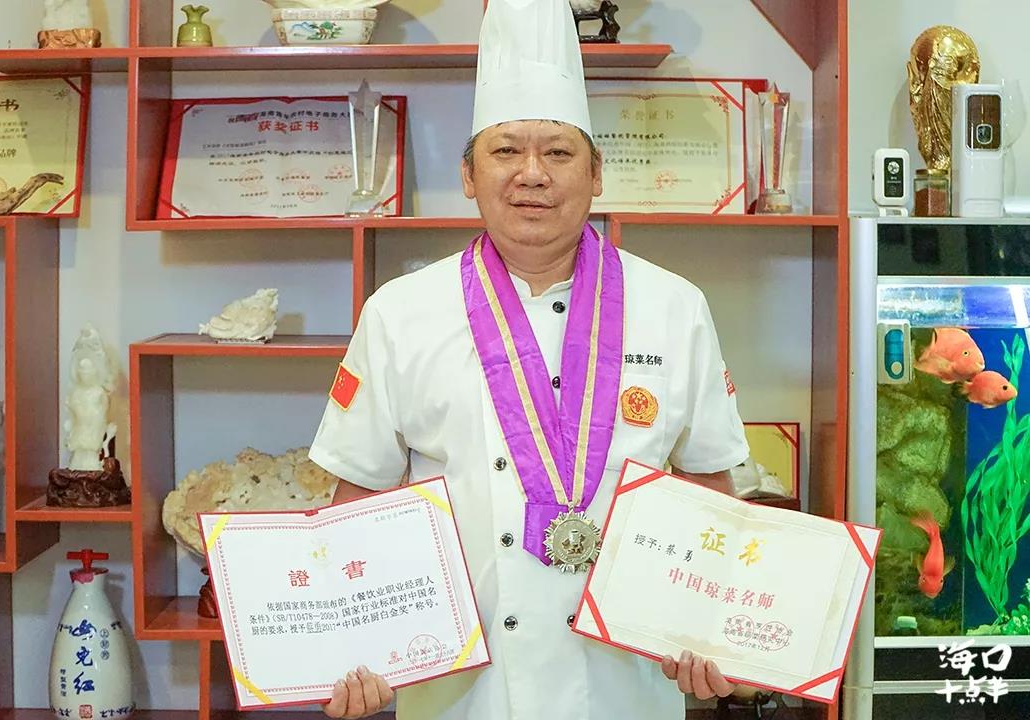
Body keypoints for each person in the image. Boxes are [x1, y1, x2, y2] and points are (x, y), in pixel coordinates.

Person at [308, 0, 751, 717]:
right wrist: (354, 651)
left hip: (624, 686)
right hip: (459, 691)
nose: (532, 174)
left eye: (559, 152)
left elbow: (710, 487)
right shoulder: (399, 312)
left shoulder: (676, 306)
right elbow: (358, 500)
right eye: (506, 151)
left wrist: (718, 635)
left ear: (597, 172)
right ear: (468, 174)